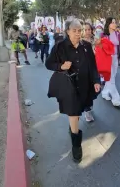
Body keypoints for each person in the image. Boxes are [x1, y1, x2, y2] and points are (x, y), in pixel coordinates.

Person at [45, 19, 101, 162]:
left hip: (84, 84)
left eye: (79, 30)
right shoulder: (59, 47)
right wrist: (61, 66)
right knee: (73, 111)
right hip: (68, 86)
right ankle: (76, 145)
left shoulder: (87, 46)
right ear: (68, 31)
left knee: (77, 112)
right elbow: (49, 63)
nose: (77, 33)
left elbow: (93, 66)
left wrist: (96, 81)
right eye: (74, 30)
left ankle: (73, 128)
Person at [100, 17, 120, 106]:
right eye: (112, 22)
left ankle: (105, 93)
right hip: (107, 58)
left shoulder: (118, 34)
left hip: (115, 57)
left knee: (112, 76)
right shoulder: (104, 34)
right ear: (108, 24)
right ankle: (116, 99)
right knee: (111, 78)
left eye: (115, 22)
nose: (114, 23)